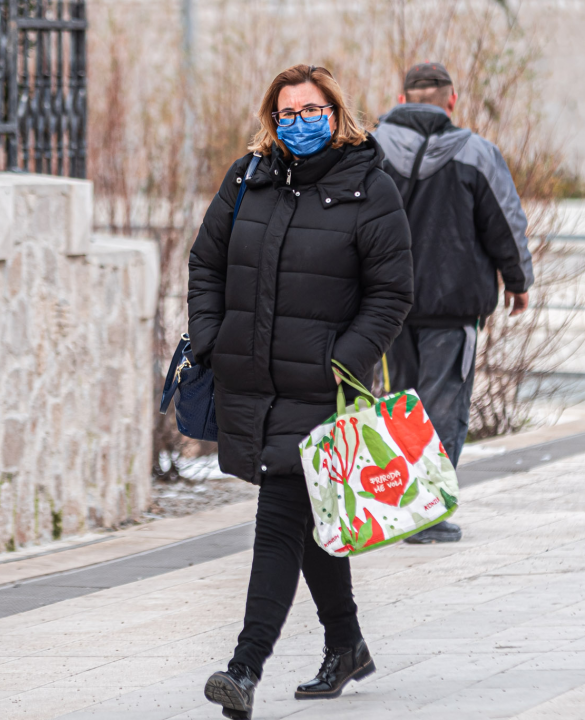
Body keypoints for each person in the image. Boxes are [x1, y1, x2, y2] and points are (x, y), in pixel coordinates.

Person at [188, 64, 413, 719]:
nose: (298, 123)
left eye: (311, 110)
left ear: (336, 113)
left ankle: (242, 668)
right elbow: (207, 262)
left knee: (278, 520)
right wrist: (210, 337)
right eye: (286, 113)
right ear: (271, 117)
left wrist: (340, 361)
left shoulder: (369, 188)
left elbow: (391, 292)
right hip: (251, 381)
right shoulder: (246, 177)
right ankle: (345, 645)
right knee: (309, 516)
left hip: (322, 388)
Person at [372, 62, 533, 544]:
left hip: (387, 306)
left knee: (400, 404)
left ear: (402, 101)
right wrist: (517, 280)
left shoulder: (368, 150)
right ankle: (426, 516)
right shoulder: (476, 153)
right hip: (453, 305)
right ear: (452, 101)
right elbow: (505, 221)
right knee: (442, 407)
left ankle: (402, 508)